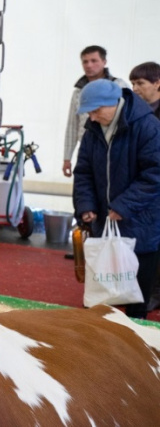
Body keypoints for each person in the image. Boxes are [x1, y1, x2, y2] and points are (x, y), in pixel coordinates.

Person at [72, 79, 160, 319]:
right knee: (102, 297)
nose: (92, 117)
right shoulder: (92, 131)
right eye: (89, 112)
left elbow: (154, 174)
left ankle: (135, 346)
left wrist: (123, 206)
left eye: (96, 110)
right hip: (105, 222)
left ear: (114, 104)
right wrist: (86, 206)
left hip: (142, 225)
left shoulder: (147, 127)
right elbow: (83, 172)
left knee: (136, 299)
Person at [62, 46, 129, 177]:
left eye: (94, 60)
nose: (89, 65)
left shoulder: (119, 86)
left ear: (104, 62)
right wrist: (67, 158)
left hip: (113, 148)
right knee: (84, 187)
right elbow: (72, 126)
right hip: (86, 149)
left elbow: (128, 119)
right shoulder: (78, 92)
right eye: (85, 61)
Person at [129, 61, 160, 312]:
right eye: (133, 84)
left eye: (141, 83)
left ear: (158, 84)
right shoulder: (133, 115)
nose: (136, 89)